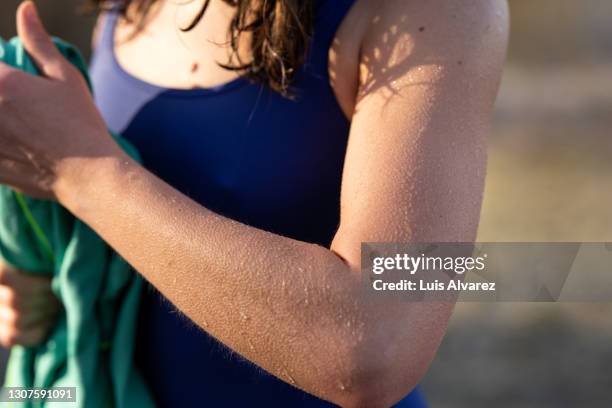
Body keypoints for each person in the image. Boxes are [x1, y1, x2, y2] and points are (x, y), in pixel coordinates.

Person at [0, 0, 508, 406]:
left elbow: (379, 346)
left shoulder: (441, 13)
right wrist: (54, 281)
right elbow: (139, 233)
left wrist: (83, 173)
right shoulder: (128, 6)